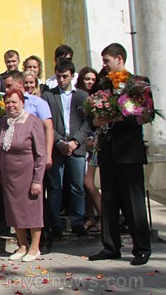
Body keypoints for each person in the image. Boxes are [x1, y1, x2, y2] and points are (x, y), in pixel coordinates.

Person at [88, 43, 151, 266]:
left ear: (120, 59)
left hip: (129, 151)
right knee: (109, 199)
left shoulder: (138, 82)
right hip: (108, 150)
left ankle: (142, 248)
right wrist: (96, 120)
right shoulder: (102, 84)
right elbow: (91, 112)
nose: (103, 66)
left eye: (107, 61)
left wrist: (119, 116)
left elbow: (145, 114)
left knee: (133, 201)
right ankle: (110, 246)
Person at [41, 60, 92, 239]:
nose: (61, 80)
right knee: (55, 187)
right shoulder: (48, 96)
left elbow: (88, 122)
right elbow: (45, 122)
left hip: (76, 147)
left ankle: (78, 221)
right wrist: (58, 142)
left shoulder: (83, 96)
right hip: (57, 147)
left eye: (65, 76)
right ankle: (56, 224)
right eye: (59, 76)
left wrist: (76, 141)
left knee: (77, 186)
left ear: (72, 76)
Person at [0, 89, 46, 262]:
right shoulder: (4, 122)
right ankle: (22, 245)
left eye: (14, 102)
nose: (11, 105)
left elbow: (41, 154)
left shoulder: (33, 122)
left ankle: (35, 247)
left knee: (32, 211)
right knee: (14, 211)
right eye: (8, 102)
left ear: (22, 103)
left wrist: (37, 180)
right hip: (10, 177)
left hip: (28, 174)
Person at [76, 66, 101, 233]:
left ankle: (103, 217)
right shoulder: (77, 96)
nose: (90, 82)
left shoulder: (99, 98)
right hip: (80, 142)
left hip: (93, 145)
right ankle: (90, 217)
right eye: (87, 79)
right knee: (82, 184)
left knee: (89, 182)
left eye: (93, 79)